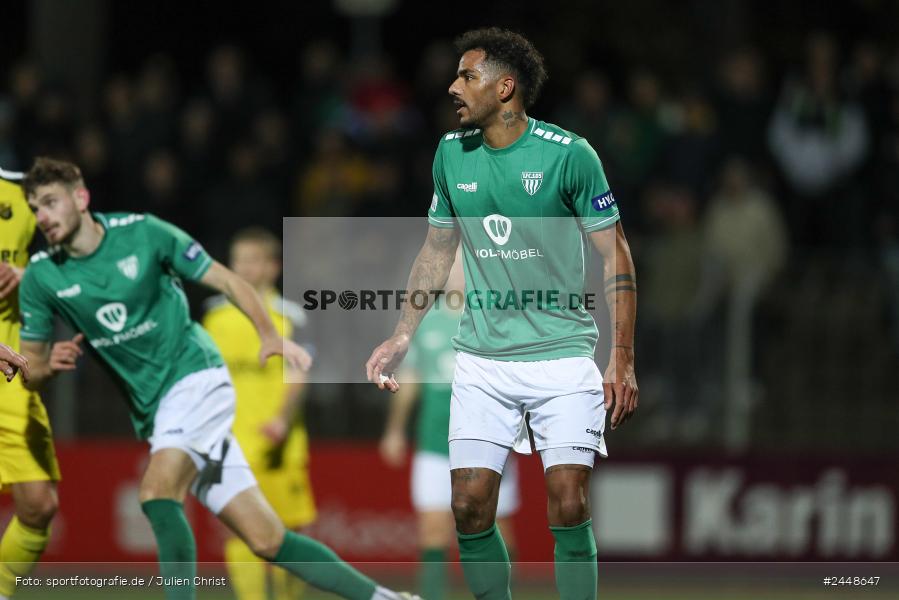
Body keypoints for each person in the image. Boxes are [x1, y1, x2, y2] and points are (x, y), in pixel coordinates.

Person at [17, 157, 420, 600]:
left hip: (196, 378)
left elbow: (226, 280)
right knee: (268, 539)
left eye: (51, 203)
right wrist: (46, 366)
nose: (43, 217)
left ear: (81, 198)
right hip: (155, 409)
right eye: (35, 208)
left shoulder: (145, 233)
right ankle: (389, 599)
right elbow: (31, 373)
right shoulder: (41, 276)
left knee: (156, 493)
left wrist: (268, 334)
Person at [366, 28, 638, 600]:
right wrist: (402, 333)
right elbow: (438, 250)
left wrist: (622, 357)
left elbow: (616, 255)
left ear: (505, 86)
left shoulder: (569, 155)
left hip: (562, 357)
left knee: (568, 501)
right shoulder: (450, 153)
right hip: (482, 361)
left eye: (467, 76)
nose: (452, 87)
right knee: (466, 506)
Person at [379, 251, 519, 600]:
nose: (458, 271)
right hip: (434, 441)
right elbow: (409, 379)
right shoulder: (423, 321)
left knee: (497, 529)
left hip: (489, 441)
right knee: (432, 531)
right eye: (452, 263)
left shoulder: (499, 320)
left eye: (465, 262)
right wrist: (395, 430)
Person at [202, 227, 316, 600]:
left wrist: (282, 418)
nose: (244, 268)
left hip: (279, 443)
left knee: (290, 532)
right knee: (239, 531)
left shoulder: (290, 316)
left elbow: (299, 374)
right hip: (232, 444)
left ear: (273, 267)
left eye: (253, 260)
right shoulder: (213, 318)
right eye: (238, 261)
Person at [0, 167, 61, 600]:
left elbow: (80, 251)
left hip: (8, 375)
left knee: (39, 506)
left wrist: (31, 276)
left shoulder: (22, 192)